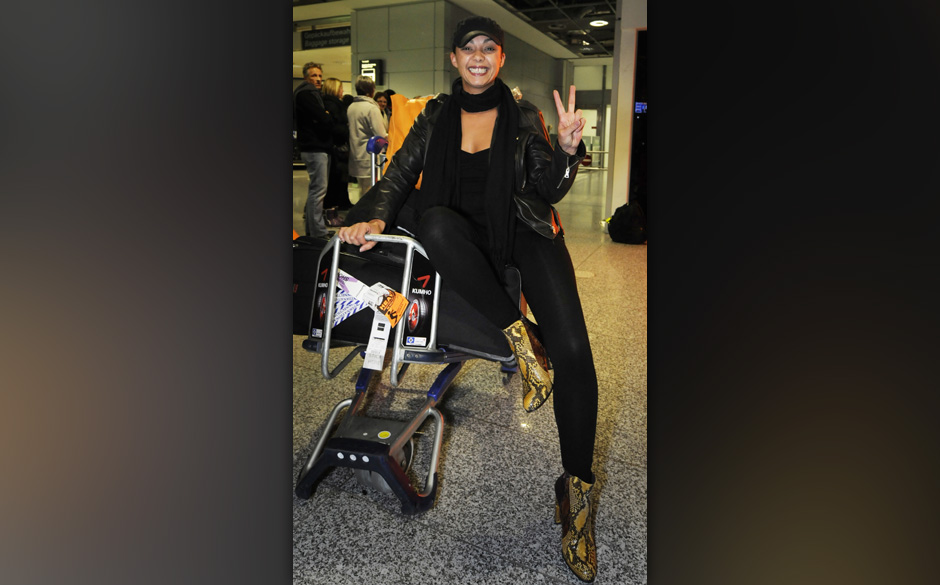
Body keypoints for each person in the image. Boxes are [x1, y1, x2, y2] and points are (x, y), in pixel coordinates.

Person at [338, 16, 599, 582]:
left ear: (500, 59)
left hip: (524, 229)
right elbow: (399, 176)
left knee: (576, 355)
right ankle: (523, 342)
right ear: (454, 59)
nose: (478, 57)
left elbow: (548, 189)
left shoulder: (523, 114)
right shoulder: (435, 116)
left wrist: (567, 150)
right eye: (468, 49)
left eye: (489, 48)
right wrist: (373, 218)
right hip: (462, 236)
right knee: (433, 221)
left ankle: (576, 498)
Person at [293, 62, 333, 237]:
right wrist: (326, 116)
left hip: (313, 147)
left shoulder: (308, 93)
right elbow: (324, 119)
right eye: (313, 76)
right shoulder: (307, 94)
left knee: (315, 190)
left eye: (319, 76)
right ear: (306, 77)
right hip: (315, 148)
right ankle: (318, 231)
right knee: (318, 190)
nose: (318, 79)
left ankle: (313, 229)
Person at [346, 75, 389, 196]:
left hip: (355, 155)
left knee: (362, 189)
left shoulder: (351, 107)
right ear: (371, 90)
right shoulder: (372, 108)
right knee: (370, 192)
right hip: (369, 157)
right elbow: (380, 135)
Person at [320, 78, 353, 211]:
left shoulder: (329, 103)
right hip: (337, 146)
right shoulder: (333, 105)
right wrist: (345, 131)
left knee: (337, 178)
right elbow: (335, 126)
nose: (342, 91)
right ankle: (334, 205)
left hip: (335, 146)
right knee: (336, 178)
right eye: (340, 88)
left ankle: (339, 202)